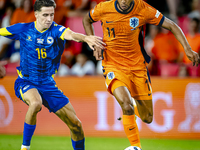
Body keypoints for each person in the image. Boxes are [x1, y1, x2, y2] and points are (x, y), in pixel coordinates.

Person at [82, 0, 200, 150]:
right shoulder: (104, 7)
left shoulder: (142, 8)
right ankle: (136, 146)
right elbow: (86, 19)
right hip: (113, 65)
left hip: (138, 67)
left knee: (147, 118)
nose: (124, 1)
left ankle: (130, 111)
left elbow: (172, 25)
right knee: (126, 104)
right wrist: (93, 43)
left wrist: (187, 49)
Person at [0, 0, 105, 150]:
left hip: (48, 85)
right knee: (35, 103)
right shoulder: (23, 29)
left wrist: (86, 38)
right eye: (45, 15)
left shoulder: (56, 30)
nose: (49, 19)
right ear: (36, 15)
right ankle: (25, 147)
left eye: (51, 14)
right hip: (26, 82)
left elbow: (71, 34)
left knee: (76, 125)